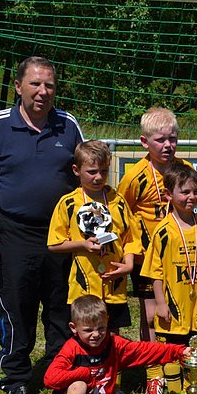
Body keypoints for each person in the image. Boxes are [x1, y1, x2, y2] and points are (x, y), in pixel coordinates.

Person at [0, 56, 84, 394]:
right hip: (17, 233)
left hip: (62, 235)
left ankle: (59, 374)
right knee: (17, 308)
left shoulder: (68, 125)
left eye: (49, 84)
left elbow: (87, 176)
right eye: (35, 84)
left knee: (60, 308)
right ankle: (16, 380)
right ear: (19, 86)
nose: (42, 91)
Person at [44, 295, 193, 394]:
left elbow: (144, 350)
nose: (96, 334)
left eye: (101, 328)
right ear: (74, 328)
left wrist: (179, 351)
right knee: (78, 385)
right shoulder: (71, 348)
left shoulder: (114, 344)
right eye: (88, 330)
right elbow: (50, 379)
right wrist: (84, 374)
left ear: (107, 321)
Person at [117, 106, 191, 394]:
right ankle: (153, 374)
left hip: (180, 256)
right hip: (148, 260)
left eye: (172, 138)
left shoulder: (184, 169)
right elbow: (122, 212)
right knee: (150, 315)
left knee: (180, 311)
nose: (168, 145)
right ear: (144, 142)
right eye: (160, 140)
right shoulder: (135, 176)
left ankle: (179, 364)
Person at [141, 163, 197, 394]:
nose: (191, 197)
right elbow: (155, 272)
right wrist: (161, 304)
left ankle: (191, 389)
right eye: (184, 192)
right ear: (169, 195)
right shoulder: (163, 231)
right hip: (172, 306)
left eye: (195, 191)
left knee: (195, 350)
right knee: (172, 353)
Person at [48, 140, 141, 337]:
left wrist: (129, 264)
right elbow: (54, 244)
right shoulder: (68, 204)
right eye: (91, 172)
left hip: (114, 284)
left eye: (104, 171)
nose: (98, 177)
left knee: (112, 335)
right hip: (84, 287)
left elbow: (131, 238)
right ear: (76, 170)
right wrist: (82, 244)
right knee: (87, 335)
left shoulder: (118, 202)